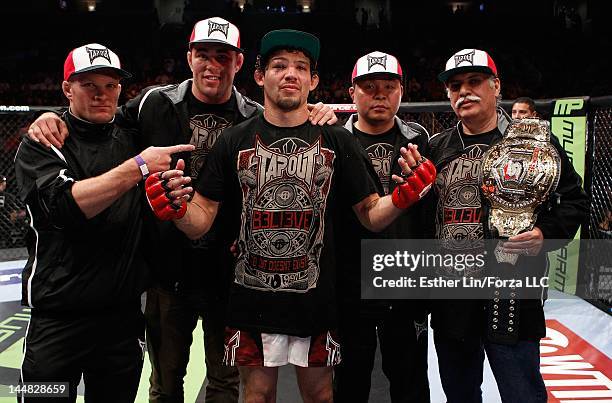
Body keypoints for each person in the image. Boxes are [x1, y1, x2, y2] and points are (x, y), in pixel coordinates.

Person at [26, 17, 338, 403]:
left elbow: (293, 121)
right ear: (189, 57)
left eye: (223, 57)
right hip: (163, 272)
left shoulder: (255, 117)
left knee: (224, 383)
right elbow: (97, 117)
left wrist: (318, 111)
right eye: (203, 54)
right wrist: (53, 115)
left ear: (239, 64)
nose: (212, 65)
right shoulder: (152, 104)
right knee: (165, 381)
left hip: (227, 274)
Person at [145, 29, 436, 402]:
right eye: (279, 65)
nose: (290, 74)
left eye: (301, 67)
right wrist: (177, 211)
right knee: (256, 395)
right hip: (251, 297)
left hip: (316, 297)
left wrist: (400, 199)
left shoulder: (337, 140)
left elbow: (369, 213)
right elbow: (202, 217)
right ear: (260, 76)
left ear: (313, 80)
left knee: (319, 396)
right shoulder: (233, 140)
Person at [14, 43, 194, 402]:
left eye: (110, 86)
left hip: (121, 321)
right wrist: (139, 167)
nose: (102, 95)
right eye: (89, 85)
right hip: (55, 319)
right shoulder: (42, 142)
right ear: (67, 89)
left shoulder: (131, 135)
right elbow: (63, 207)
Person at [427, 48, 588, 403]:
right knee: (460, 393)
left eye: (474, 82)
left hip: (513, 292)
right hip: (453, 296)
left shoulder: (533, 144)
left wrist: (545, 234)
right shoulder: (435, 148)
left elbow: (574, 200)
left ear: (496, 86)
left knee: (522, 394)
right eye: (455, 85)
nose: (464, 91)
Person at [333, 51, 430, 403]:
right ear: (352, 93)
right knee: (349, 381)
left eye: (388, 87)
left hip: (403, 281)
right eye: (369, 87)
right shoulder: (332, 141)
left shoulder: (420, 141)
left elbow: (429, 215)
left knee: (410, 382)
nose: (379, 94)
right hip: (350, 281)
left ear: (401, 92)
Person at [0, 174, 27, 248]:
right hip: (7, 220)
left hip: (7, 220)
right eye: (2, 182)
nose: (4, 184)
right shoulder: (7, 196)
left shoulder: (8, 196)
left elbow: (18, 209)